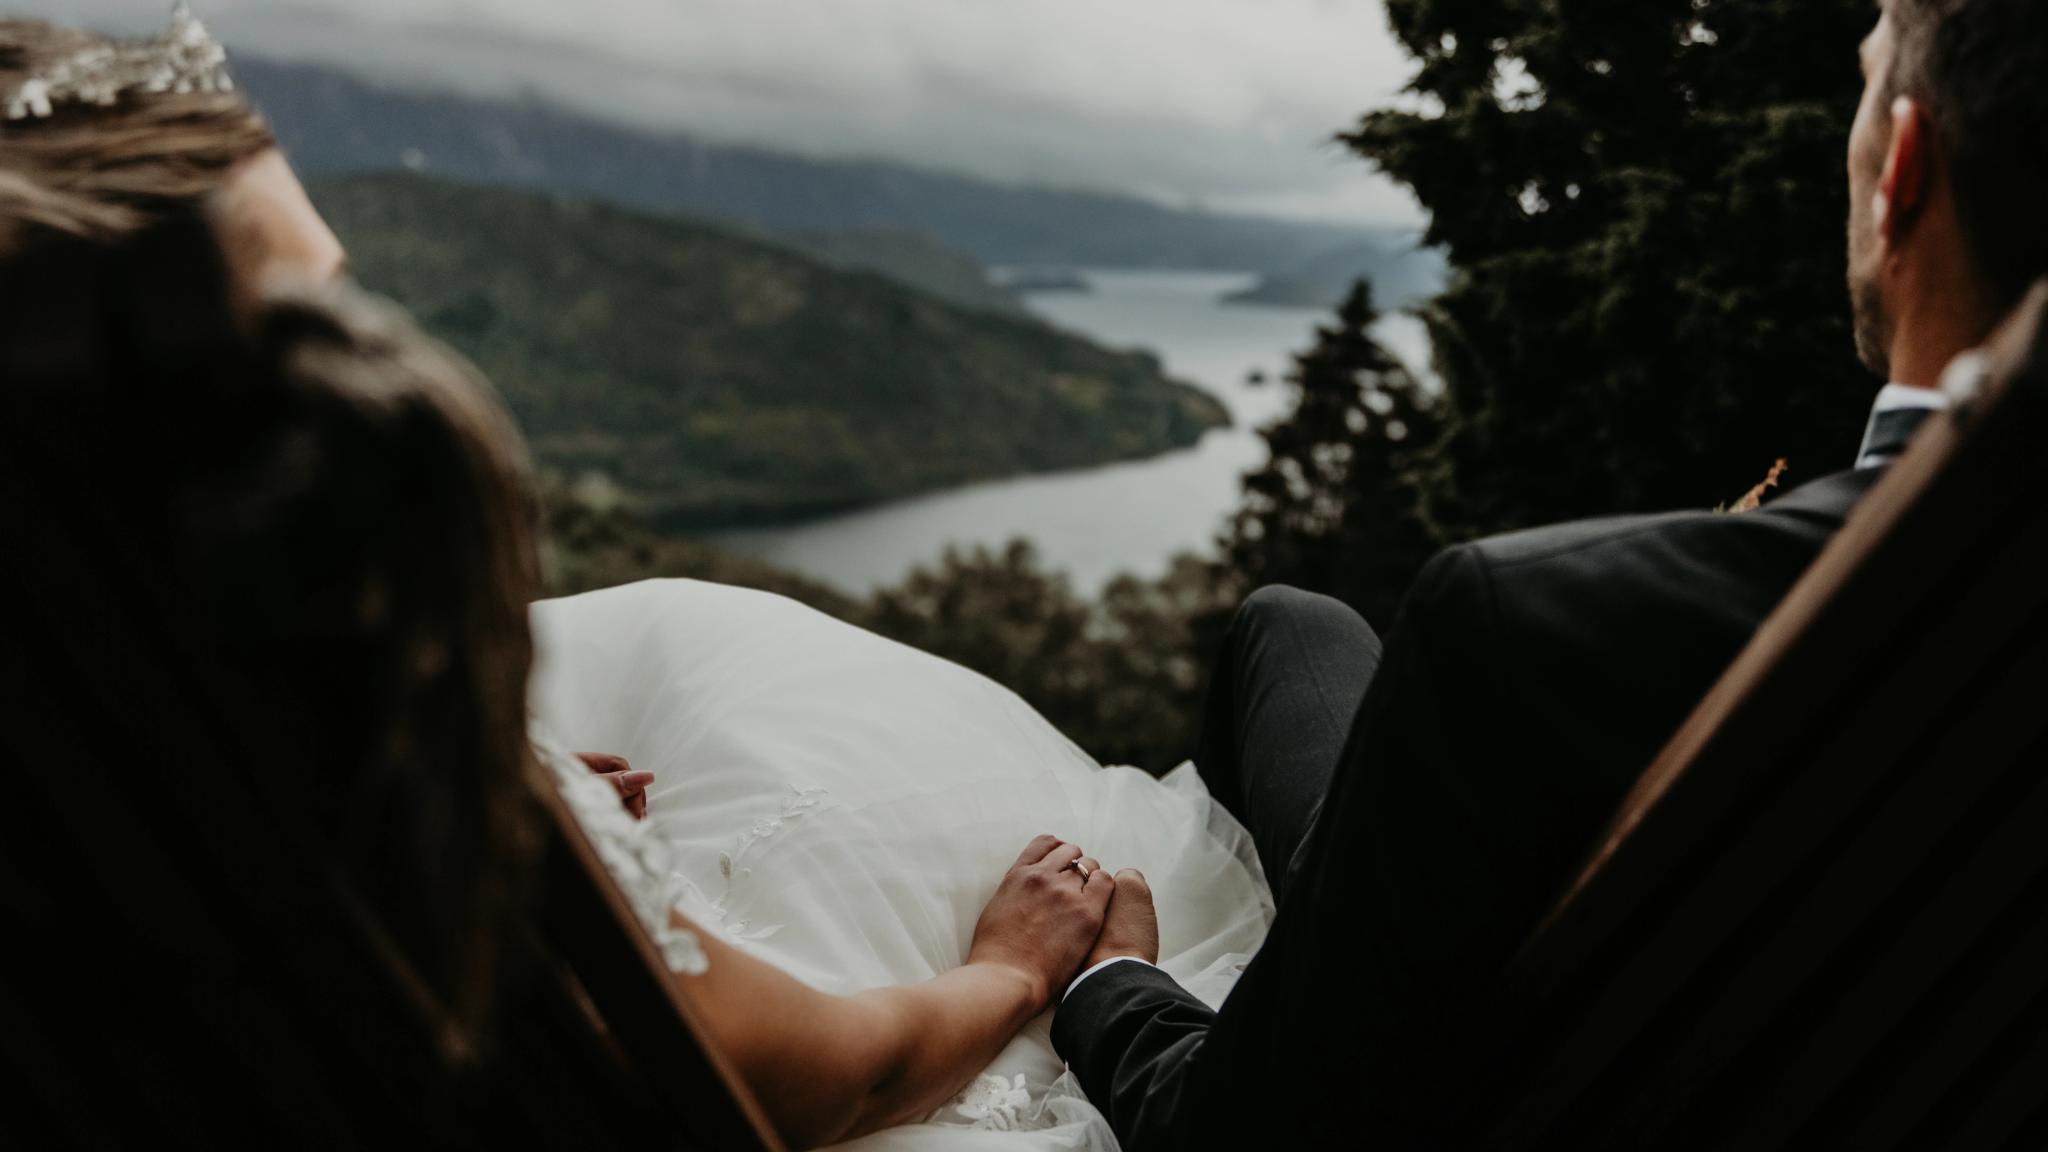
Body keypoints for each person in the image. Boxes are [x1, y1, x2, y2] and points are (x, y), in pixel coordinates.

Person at [1, 10, 1269, 1149]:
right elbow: (834, 1078)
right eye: (310, 318)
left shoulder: (118, 790)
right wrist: (1013, 970)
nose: (358, 347)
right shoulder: (380, 874)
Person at [1049, 0, 2048, 1146]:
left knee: (1285, 629)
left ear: (1900, 166)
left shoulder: (1532, 631)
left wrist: (1106, 985)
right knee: (1298, 628)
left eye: (1864, 85)